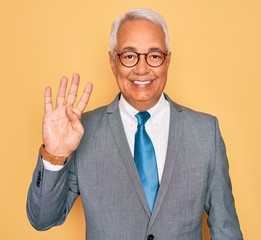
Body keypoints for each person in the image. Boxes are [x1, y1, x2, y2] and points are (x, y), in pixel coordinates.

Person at [26, 8, 243, 240]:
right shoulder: (81, 132)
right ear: (112, 61)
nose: (142, 69)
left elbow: (226, 231)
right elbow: (42, 219)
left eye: (154, 55)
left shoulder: (205, 133)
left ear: (167, 60)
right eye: (129, 56)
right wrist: (54, 156)